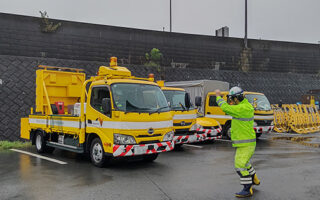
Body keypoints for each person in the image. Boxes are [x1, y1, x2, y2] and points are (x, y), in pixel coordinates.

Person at [215, 86, 260, 198]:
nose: (231, 101)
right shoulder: (243, 106)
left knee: (239, 165)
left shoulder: (242, 109)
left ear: (237, 98)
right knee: (246, 163)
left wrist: (218, 97)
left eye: (232, 99)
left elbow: (225, 108)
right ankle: (254, 179)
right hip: (245, 143)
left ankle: (247, 188)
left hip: (246, 144)